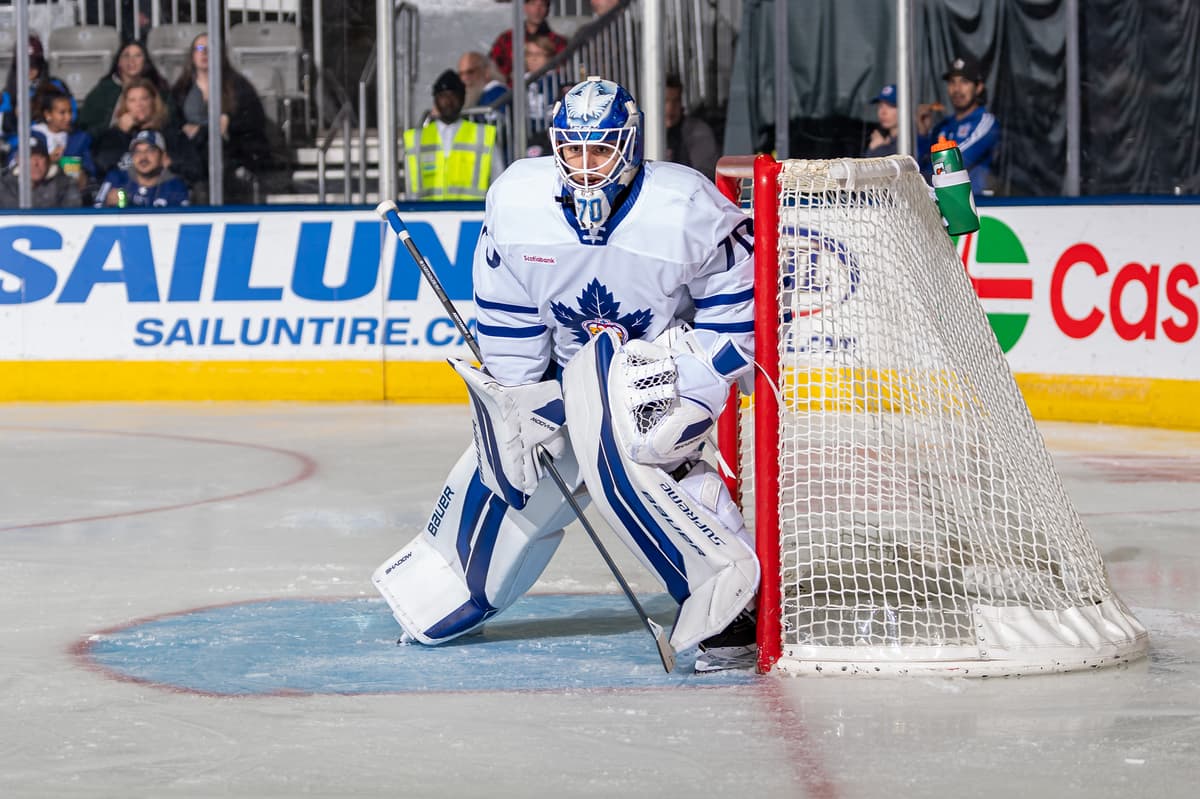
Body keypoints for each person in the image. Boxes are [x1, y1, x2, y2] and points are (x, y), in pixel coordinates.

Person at [373, 77, 760, 673]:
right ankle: (449, 583)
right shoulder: (518, 201)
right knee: (513, 466)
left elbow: (737, 304)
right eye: (573, 150)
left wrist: (696, 383)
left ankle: (731, 604)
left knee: (646, 459)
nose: (585, 165)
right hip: (565, 366)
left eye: (599, 149)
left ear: (629, 147)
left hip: (656, 368)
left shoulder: (684, 205)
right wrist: (517, 396)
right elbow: (510, 311)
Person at [170, 33, 274, 201]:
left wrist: (229, 123)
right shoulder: (181, 89)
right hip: (192, 154)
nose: (204, 53)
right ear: (192, 55)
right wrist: (185, 129)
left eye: (210, 49)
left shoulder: (239, 86)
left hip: (231, 153)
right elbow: (172, 122)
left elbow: (253, 123)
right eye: (200, 48)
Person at [402, 69, 502, 200]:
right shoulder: (416, 139)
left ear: (462, 98)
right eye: (443, 96)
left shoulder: (483, 136)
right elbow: (410, 187)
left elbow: (498, 181)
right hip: (427, 211)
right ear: (435, 99)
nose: (448, 101)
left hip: (473, 211)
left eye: (453, 95)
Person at [91, 77, 199, 185]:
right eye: (132, 100)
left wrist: (170, 164)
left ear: (153, 101)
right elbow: (102, 166)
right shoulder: (113, 135)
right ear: (125, 105)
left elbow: (194, 170)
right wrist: (120, 132)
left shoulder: (172, 133)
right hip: (124, 191)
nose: (139, 105)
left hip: (164, 191)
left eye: (144, 98)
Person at [918, 56, 999, 194]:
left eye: (964, 82)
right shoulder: (942, 126)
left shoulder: (985, 122)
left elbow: (953, 163)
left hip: (976, 202)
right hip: (939, 199)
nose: (957, 89)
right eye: (952, 82)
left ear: (978, 87)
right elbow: (919, 165)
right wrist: (923, 133)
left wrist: (921, 175)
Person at [77, 40, 173, 139]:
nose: (131, 61)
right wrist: (116, 128)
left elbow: (172, 122)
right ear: (118, 62)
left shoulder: (159, 87)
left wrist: (156, 125)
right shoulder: (103, 90)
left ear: (145, 61)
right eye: (126, 56)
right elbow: (86, 127)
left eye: (137, 56)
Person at [0, 36, 74, 147]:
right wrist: (13, 116)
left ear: (41, 64)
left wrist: (44, 116)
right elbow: (3, 128)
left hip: (52, 141)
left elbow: (71, 116)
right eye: (24, 64)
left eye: (33, 64)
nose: (29, 69)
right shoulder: (8, 93)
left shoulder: (56, 86)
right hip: (19, 146)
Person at [94, 129, 190, 208]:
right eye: (137, 151)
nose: (143, 157)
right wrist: (107, 204)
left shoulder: (176, 186)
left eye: (150, 151)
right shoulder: (116, 178)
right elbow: (95, 212)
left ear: (163, 157)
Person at [31, 87, 96, 194]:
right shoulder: (33, 137)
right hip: (38, 195)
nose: (68, 117)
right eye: (62, 113)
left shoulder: (80, 139)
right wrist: (48, 161)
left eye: (70, 111)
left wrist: (83, 175)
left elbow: (90, 170)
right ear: (48, 114)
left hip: (71, 194)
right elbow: (15, 167)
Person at [489, 0, 568, 85]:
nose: (537, 9)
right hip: (512, 90)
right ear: (525, 7)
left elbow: (563, 71)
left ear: (547, 9)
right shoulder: (506, 39)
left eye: (542, 5)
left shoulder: (558, 41)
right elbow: (493, 67)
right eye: (533, 4)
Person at [0, 132, 82, 208]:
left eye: (40, 157)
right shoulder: (4, 184)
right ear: (18, 160)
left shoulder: (64, 184)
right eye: (29, 157)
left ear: (48, 161)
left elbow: (73, 214)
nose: (35, 163)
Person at [664, 73, 719, 181]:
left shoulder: (698, 132)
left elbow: (704, 177)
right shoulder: (644, 134)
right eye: (665, 101)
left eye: (676, 101)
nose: (671, 108)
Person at [864, 83, 898, 157]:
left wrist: (878, 148)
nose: (883, 112)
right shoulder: (883, 139)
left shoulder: (909, 142)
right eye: (880, 106)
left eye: (890, 106)